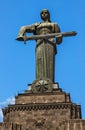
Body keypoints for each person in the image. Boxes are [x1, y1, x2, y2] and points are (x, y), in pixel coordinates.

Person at [16, 9, 62, 82]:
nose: (43, 14)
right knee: (39, 61)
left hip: (50, 44)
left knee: (49, 62)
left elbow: (59, 41)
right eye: (42, 13)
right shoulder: (37, 25)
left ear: (49, 15)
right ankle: (39, 81)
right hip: (40, 44)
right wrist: (20, 34)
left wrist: (59, 37)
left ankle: (49, 81)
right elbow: (24, 27)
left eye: (45, 13)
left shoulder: (54, 24)